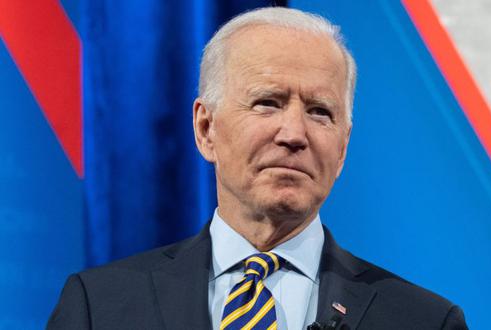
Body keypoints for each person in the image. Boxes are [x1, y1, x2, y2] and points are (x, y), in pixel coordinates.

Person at [47, 7, 468, 330]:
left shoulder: (423, 320)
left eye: (320, 112)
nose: (294, 133)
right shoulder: (99, 307)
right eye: (268, 102)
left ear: (342, 148)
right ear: (205, 128)